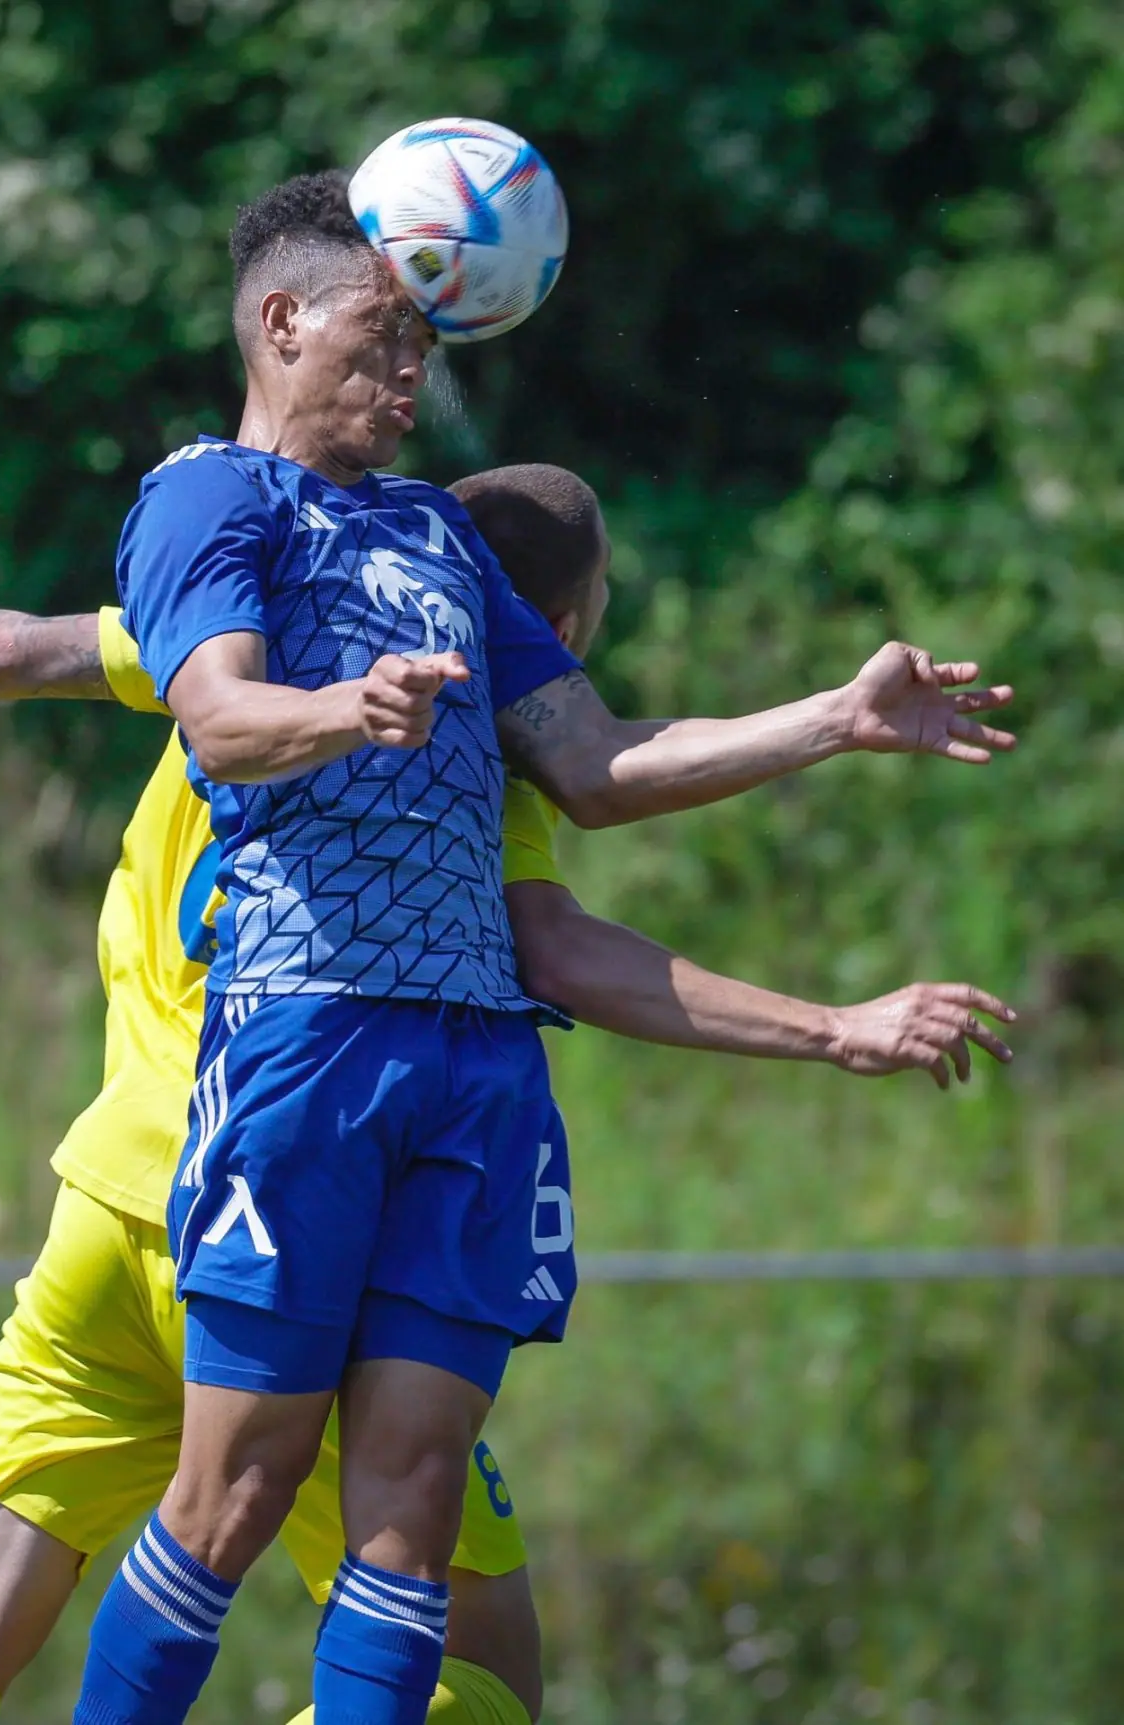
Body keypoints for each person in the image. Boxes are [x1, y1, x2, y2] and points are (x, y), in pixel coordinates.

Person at [0, 472, 1015, 1725]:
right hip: (298, 1191)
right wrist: (836, 1025)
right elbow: (559, 944)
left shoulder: (235, 632)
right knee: (482, 1658)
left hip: (108, 1211)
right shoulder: (463, 759)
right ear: (554, 633)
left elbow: (1, 649)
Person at [66, 165, 1013, 1725]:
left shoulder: (443, 535)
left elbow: (595, 760)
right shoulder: (207, 500)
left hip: (479, 1070)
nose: (412, 370)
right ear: (282, 322)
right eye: (382, 335)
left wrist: (833, 721)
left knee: (414, 1507)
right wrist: (348, 708)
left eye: (426, 345)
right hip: (307, 1037)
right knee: (236, 1492)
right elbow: (221, 718)